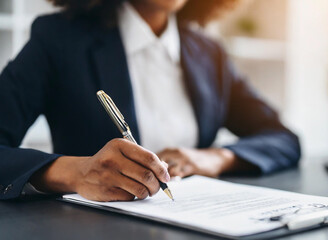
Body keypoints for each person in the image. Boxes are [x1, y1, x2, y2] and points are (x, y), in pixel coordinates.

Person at [0, 0, 300, 201]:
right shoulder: (59, 39)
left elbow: (283, 139)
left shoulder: (209, 53)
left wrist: (213, 158)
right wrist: (74, 173)